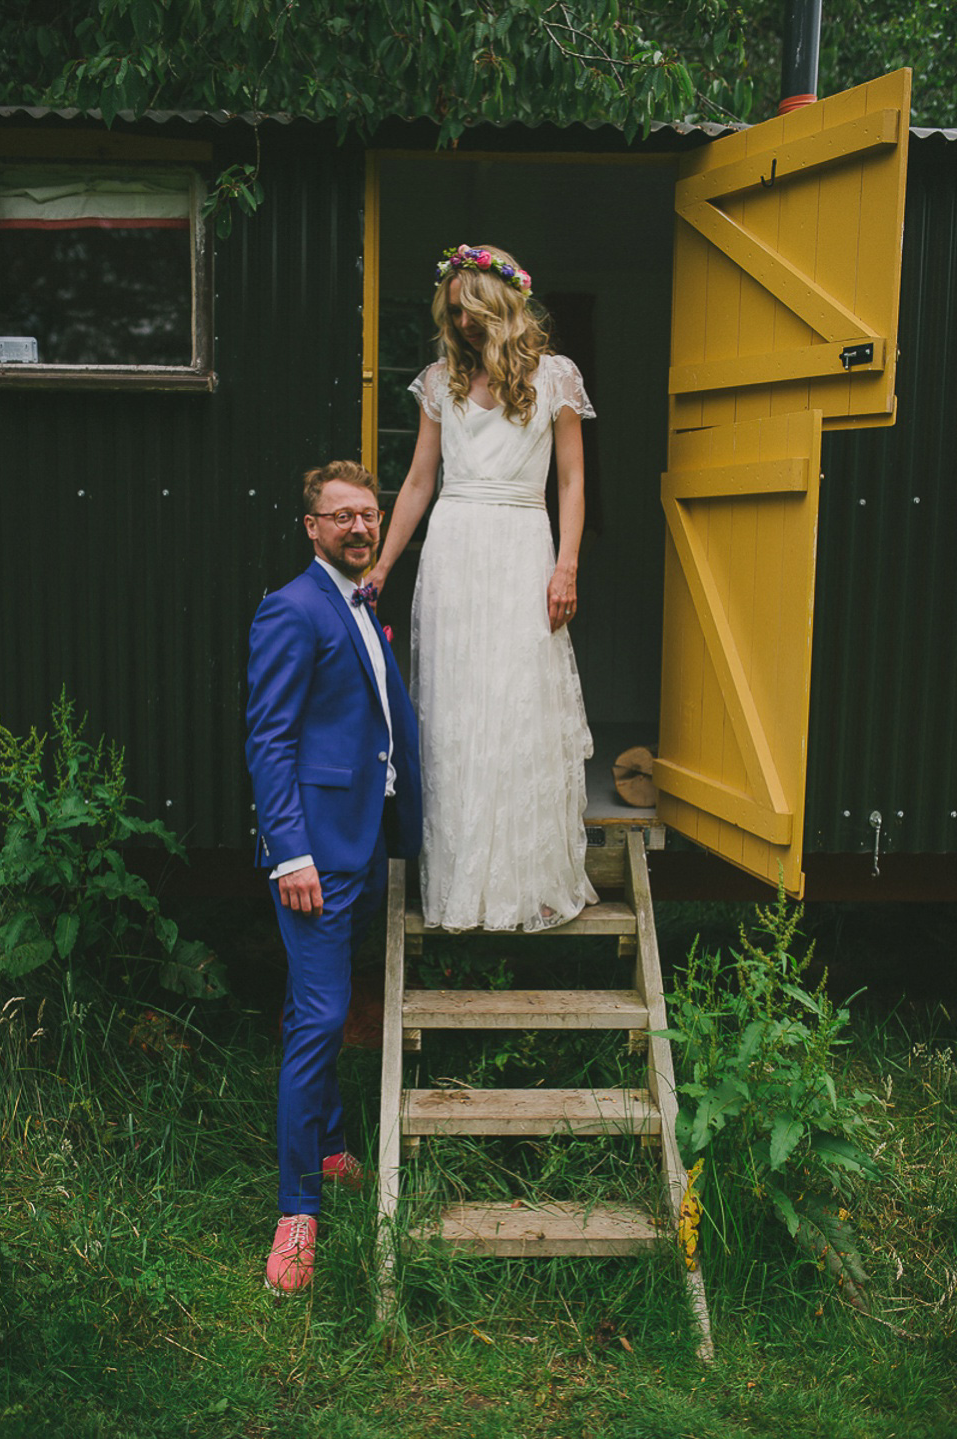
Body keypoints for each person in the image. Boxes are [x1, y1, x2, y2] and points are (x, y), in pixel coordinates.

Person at [367, 243, 598, 933]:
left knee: (520, 704)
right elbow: (417, 482)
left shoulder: (555, 378)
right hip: (456, 551)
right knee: (460, 709)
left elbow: (572, 482)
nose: (463, 324)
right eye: (453, 313)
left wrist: (567, 566)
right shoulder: (439, 382)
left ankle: (527, 880)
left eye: (472, 311)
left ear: (503, 306)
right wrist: (382, 563)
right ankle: (465, 876)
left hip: (524, 545)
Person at [245, 459, 422, 1294]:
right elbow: (270, 740)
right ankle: (296, 1213)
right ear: (311, 527)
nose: (360, 527)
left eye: (370, 514)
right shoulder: (292, 608)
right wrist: (290, 853)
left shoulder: (361, 605)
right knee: (319, 1017)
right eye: (341, 516)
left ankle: (329, 1144)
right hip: (314, 858)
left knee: (312, 1005)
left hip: (362, 844)